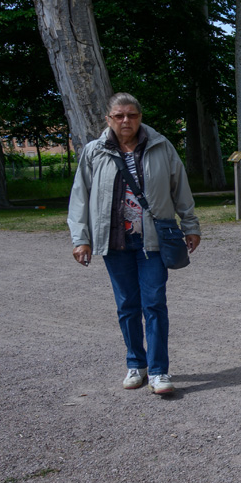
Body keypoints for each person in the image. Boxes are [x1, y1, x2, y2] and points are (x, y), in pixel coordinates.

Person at [68, 93, 201, 395]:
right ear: (108, 119)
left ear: (140, 117)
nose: (125, 121)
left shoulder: (161, 146)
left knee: (154, 303)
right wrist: (81, 239)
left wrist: (190, 225)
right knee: (127, 305)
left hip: (152, 241)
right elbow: (80, 197)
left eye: (132, 115)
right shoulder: (94, 151)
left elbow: (180, 188)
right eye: (119, 116)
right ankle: (135, 364)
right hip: (115, 242)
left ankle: (158, 371)